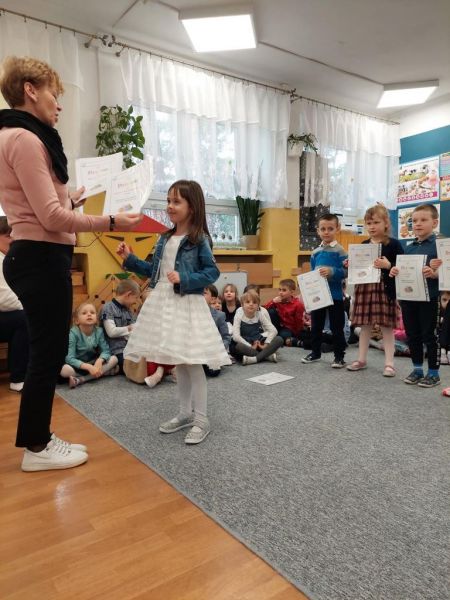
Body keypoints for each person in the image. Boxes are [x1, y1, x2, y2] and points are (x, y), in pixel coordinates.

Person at [0, 56, 141, 472]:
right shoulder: (25, 139)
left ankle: (38, 439)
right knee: (47, 355)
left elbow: (40, 208)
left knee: (45, 352)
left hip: (36, 255)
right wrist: (111, 221)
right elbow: (50, 219)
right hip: (41, 257)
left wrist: (70, 200)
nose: (58, 104)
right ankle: (37, 447)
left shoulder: (13, 134)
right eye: (53, 94)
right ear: (30, 90)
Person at [118, 179, 230, 444]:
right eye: (168, 201)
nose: (169, 206)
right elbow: (154, 271)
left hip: (186, 303)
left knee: (192, 362)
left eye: (176, 201)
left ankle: (201, 419)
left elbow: (212, 272)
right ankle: (185, 413)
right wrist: (129, 259)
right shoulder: (165, 238)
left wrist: (185, 278)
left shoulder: (199, 239)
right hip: (165, 303)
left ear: (192, 207)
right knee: (179, 361)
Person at [346, 205, 404, 377]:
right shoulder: (363, 245)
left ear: (386, 223)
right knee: (365, 326)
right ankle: (361, 359)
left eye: (376, 222)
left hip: (385, 290)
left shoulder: (394, 244)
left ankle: (389, 364)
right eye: (369, 223)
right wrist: (350, 264)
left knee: (387, 327)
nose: (372, 226)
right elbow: (358, 268)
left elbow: (403, 266)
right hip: (365, 289)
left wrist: (389, 265)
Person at [390, 203, 440, 387]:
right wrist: (395, 270)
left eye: (423, 220)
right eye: (414, 221)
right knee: (412, 335)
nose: (418, 224)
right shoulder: (408, 247)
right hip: (409, 298)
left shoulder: (439, 246)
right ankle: (417, 369)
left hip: (430, 298)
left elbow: (446, 271)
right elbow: (405, 270)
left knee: (429, 335)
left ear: (434, 223)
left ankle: (433, 373)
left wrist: (435, 274)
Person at [301, 213, 348, 367]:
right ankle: (315, 353)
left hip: (335, 296)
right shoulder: (315, 253)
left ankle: (339, 356)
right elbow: (313, 273)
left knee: (336, 327)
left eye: (330, 229)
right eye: (323, 229)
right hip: (318, 296)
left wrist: (332, 272)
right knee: (316, 326)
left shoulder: (341, 251)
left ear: (337, 229)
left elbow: (347, 272)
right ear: (318, 230)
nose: (326, 232)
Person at [0, 216, 29, 392]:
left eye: (14, 235)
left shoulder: (7, 259)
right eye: (8, 235)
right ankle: (18, 377)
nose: (13, 239)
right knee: (25, 320)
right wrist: (31, 307)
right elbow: (4, 299)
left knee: (25, 319)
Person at [60, 302, 119, 388]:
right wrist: (88, 367)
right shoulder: (73, 333)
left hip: (93, 362)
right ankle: (104, 373)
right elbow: (69, 358)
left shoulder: (99, 331)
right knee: (65, 370)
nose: (89, 314)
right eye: (84, 313)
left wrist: (99, 361)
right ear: (77, 320)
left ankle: (82, 379)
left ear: (96, 319)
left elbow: (106, 351)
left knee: (114, 359)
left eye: (92, 312)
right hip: (78, 365)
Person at [231, 289, 283, 364]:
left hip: (258, 342)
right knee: (238, 346)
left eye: (254, 302)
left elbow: (273, 330)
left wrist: (266, 344)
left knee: (279, 339)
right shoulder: (239, 313)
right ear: (242, 305)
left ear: (258, 306)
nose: (251, 304)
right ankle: (266, 356)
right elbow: (236, 336)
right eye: (248, 302)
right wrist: (250, 346)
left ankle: (255, 359)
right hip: (245, 343)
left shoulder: (259, 314)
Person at [100, 278, 140, 372]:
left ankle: (115, 369)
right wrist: (129, 328)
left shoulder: (128, 311)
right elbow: (111, 332)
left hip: (129, 349)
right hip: (115, 350)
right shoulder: (108, 308)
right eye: (136, 297)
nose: (136, 301)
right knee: (134, 367)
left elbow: (134, 332)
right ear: (128, 294)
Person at [264, 278, 305, 346]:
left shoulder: (298, 304)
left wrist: (297, 334)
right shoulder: (277, 300)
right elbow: (263, 311)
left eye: (284, 290)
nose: (281, 292)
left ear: (292, 292)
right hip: (277, 325)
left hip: (288, 328)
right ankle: (275, 336)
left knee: (284, 336)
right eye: (279, 289)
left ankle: (292, 340)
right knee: (271, 311)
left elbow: (299, 322)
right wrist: (273, 301)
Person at [203, 284, 232, 376]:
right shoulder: (192, 314)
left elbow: (226, 337)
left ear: (212, 299)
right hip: (198, 350)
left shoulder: (220, 315)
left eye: (204, 293)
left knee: (213, 372)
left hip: (213, 351)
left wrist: (219, 349)